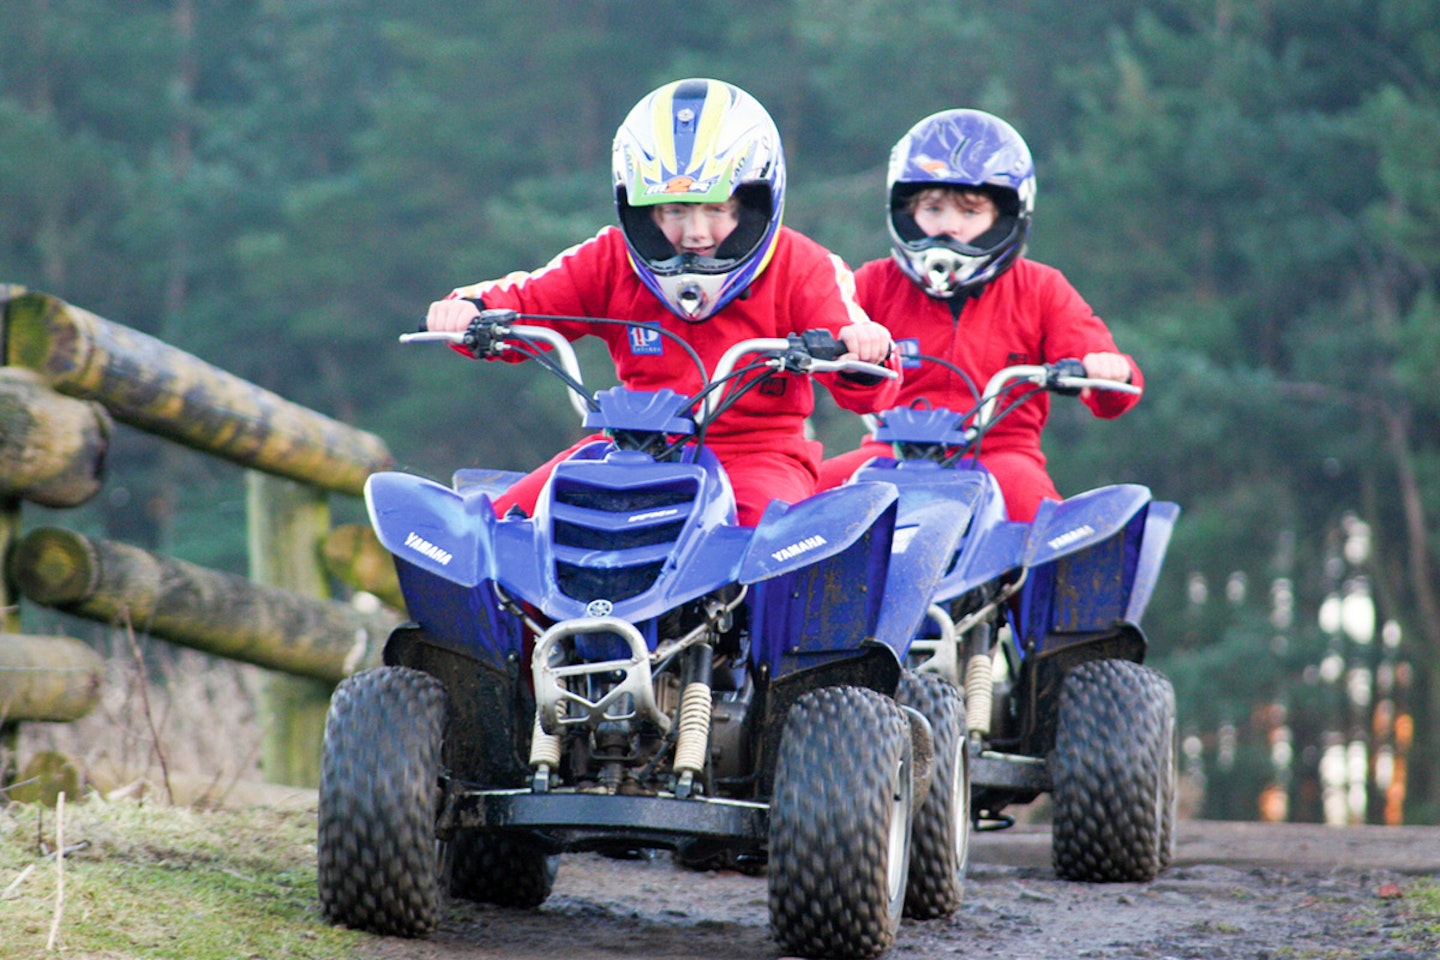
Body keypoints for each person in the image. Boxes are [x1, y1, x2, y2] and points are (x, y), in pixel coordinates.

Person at [426, 78, 900, 526]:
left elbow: (864, 366)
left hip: (756, 454)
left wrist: (862, 349)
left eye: (716, 209)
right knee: (497, 528)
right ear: (644, 210)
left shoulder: (804, 264)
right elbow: (524, 297)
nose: (695, 233)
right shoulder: (610, 257)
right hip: (628, 447)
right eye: (675, 210)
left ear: (751, 204)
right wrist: (469, 308)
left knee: (769, 548)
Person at [815, 108, 1142, 522]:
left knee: (1043, 525)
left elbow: (1106, 380)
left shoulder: (1041, 288)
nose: (948, 227)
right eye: (933, 210)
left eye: (970, 213)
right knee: (802, 508)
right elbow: (827, 329)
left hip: (1001, 453)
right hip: (890, 451)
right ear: (905, 210)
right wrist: (832, 352)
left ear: (1004, 217)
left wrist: (1110, 371)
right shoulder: (875, 282)